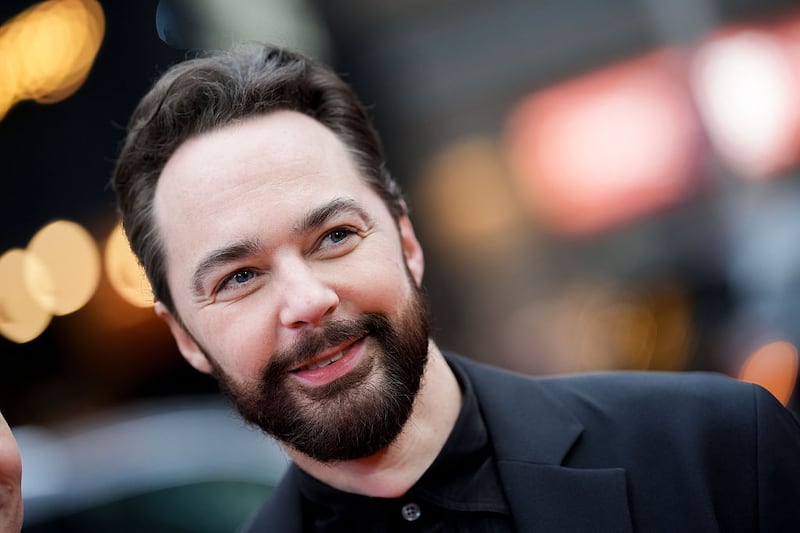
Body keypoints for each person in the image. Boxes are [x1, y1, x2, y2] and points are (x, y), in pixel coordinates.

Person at [0, 43, 793, 532]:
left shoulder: (717, 449)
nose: (306, 300)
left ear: (406, 240)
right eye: (239, 277)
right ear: (185, 338)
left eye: (334, 237)